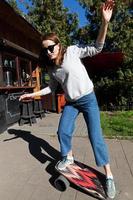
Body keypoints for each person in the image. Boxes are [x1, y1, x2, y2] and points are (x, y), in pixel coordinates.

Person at [19, 0, 116, 198]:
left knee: (95, 137)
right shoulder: (51, 68)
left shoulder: (72, 51)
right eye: (45, 49)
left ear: (58, 45)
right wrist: (31, 93)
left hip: (88, 99)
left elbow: (97, 48)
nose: (48, 51)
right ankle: (68, 158)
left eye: (51, 47)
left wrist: (104, 23)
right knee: (62, 130)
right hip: (72, 102)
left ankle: (109, 176)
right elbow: (50, 89)